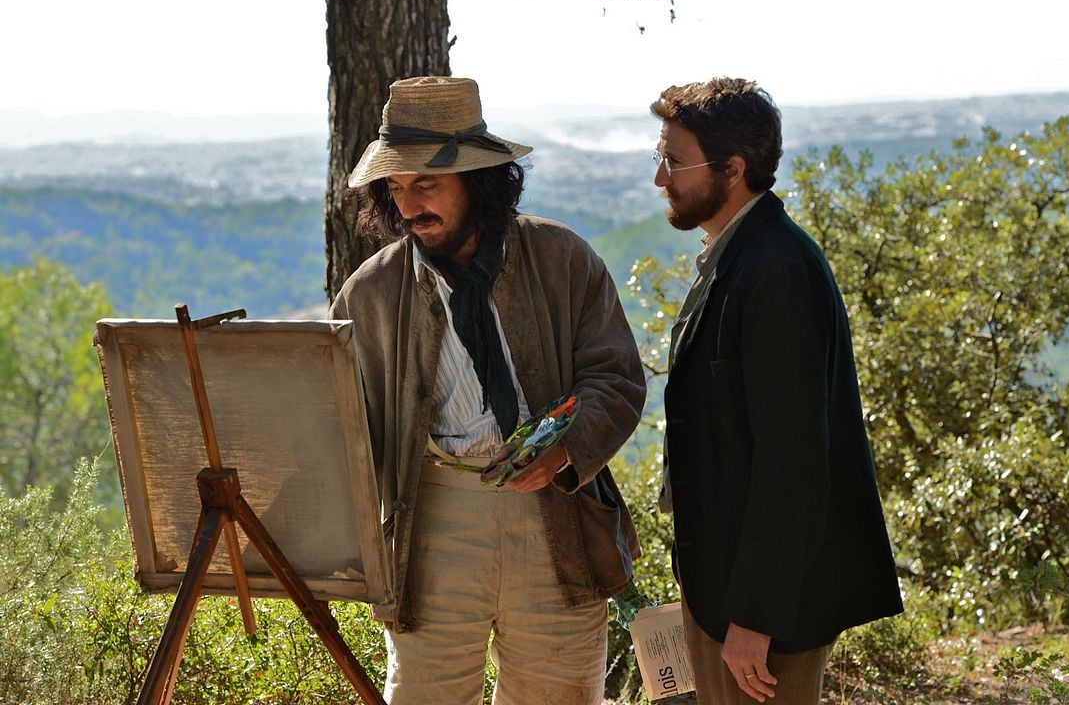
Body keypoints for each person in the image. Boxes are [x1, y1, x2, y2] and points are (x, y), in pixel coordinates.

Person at [329, 76, 646, 705]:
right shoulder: (369, 294)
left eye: (428, 183)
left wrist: (566, 448)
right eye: (396, 186)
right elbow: (340, 425)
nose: (410, 203)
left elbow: (615, 377)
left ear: (478, 181)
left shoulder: (562, 258)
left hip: (557, 513)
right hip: (433, 520)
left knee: (560, 696)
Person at [650, 77, 904, 704]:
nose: (660, 177)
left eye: (674, 160)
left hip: (764, 610)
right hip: (729, 592)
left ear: (733, 168)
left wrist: (754, 618)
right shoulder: (739, 255)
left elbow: (793, 462)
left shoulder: (776, 271)